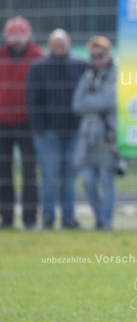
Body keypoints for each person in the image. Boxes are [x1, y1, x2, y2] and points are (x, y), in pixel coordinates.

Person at [26, 29, 87, 229]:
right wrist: (40, 129)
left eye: (63, 44)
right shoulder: (39, 68)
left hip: (74, 133)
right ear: (49, 45)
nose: (59, 47)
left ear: (69, 45)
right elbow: (32, 102)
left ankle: (68, 218)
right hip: (48, 134)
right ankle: (48, 217)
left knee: (69, 178)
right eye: (55, 44)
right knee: (50, 177)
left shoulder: (80, 66)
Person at [0, 16, 45, 229]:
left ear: (29, 35)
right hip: (2, 122)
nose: (16, 38)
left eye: (20, 34)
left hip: (27, 122)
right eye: (12, 34)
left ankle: (29, 219)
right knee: (3, 173)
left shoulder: (38, 57)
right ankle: (6, 219)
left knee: (29, 172)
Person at [72, 36, 119, 230]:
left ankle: (105, 221)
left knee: (107, 179)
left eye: (100, 55)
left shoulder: (117, 74)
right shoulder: (87, 75)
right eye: (93, 56)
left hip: (107, 134)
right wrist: (96, 102)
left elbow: (112, 100)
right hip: (87, 136)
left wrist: (90, 102)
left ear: (108, 55)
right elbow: (76, 104)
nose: (96, 60)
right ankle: (99, 216)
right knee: (88, 180)